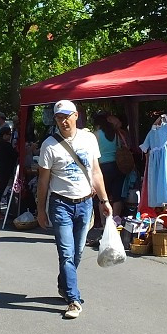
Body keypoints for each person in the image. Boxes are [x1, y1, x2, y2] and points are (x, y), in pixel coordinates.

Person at [36, 100, 112, 320]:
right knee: (66, 253)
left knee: (77, 252)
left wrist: (104, 200)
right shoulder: (49, 145)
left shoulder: (89, 139)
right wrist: (41, 209)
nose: (63, 121)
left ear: (76, 116)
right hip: (60, 204)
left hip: (85, 203)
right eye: (59, 117)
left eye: (66, 116)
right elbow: (43, 181)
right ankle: (73, 299)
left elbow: (96, 172)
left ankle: (64, 284)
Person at [93, 111, 126, 225]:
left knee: (103, 196)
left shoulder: (96, 134)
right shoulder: (116, 134)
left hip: (102, 167)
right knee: (117, 196)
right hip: (117, 166)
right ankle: (115, 221)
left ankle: (104, 222)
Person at [0, 125, 17, 218]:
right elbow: (14, 155)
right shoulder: (6, 145)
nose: (10, 136)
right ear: (4, 135)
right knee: (0, 190)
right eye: (9, 134)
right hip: (4, 170)